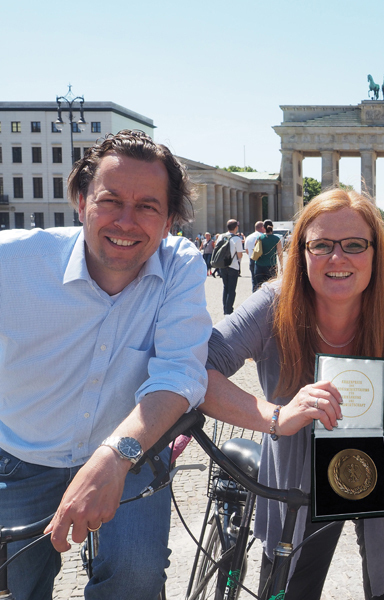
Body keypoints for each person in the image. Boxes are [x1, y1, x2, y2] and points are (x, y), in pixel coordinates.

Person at [201, 189, 384, 600]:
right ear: (301, 251)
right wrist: (275, 416)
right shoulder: (273, 304)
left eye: (354, 245)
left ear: (375, 251)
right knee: (289, 587)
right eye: (321, 245)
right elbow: (197, 369)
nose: (338, 258)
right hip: (297, 475)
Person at [0, 130, 212, 600]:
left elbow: (179, 373)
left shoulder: (180, 266)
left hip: (131, 452)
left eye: (148, 207)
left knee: (136, 581)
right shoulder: (11, 261)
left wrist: (115, 457)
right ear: (80, 201)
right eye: (110, 200)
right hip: (20, 457)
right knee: (15, 589)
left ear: (170, 220)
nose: (126, 221)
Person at [220, 219, 245, 315]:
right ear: (236, 228)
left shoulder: (221, 237)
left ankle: (225, 309)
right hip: (233, 266)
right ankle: (229, 310)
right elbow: (240, 255)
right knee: (231, 289)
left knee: (225, 287)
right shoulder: (237, 239)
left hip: (223, 266)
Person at [252, 223, 283, 290]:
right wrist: (282, 266)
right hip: (271, 266)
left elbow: (255, 249)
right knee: (271, 288)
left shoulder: (259, 238)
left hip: (259, 265)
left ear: (264, 227)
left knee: (259, 287)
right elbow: (280, 254)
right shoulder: (276, 239)